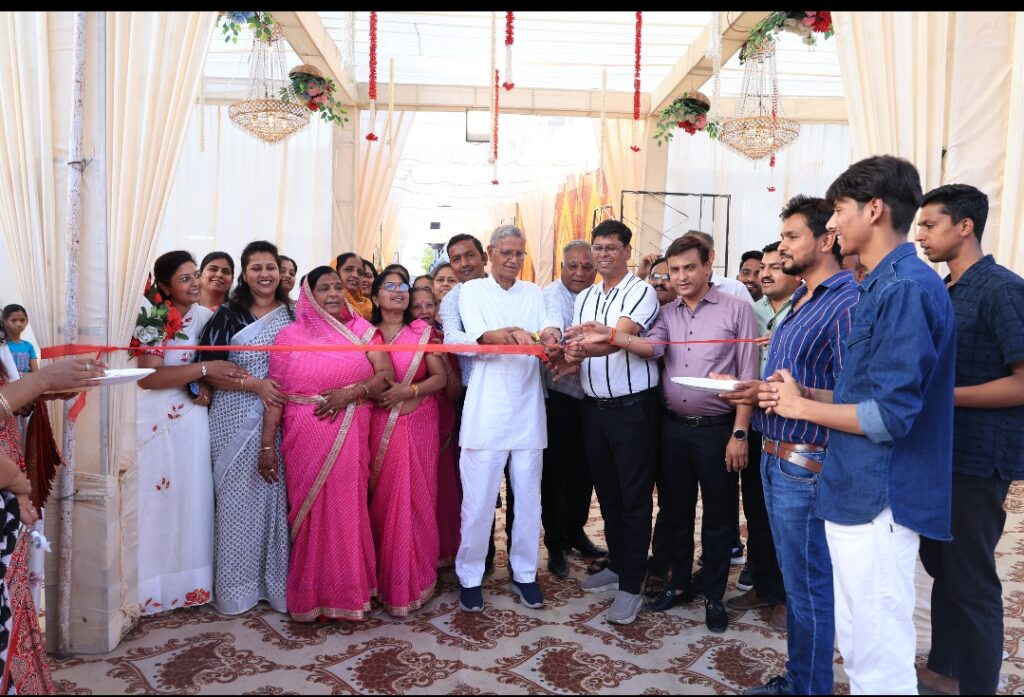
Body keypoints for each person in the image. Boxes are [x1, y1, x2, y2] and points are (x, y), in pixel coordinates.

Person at [758, 156, 955, 695]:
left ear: (874, 210)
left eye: (839, 210)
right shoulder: (882, 285)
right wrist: (803, 395)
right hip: (855, 489)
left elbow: (889, 415)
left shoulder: (904, 288)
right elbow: (861, 396)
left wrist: (801, 409)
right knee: (859, 641)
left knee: (876, 658)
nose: (832, 224)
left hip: (878, 495)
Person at [577, 234, 758, 632]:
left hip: (718, 431)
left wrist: (740, 433)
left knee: (718, 517)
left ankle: (714, 596)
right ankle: (677, 583)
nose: (681, 277)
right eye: (674, 270)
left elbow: (748, 374)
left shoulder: (737, 309)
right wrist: (611, 336)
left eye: (689, 267)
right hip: (672, 429)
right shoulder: (667, 313)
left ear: (708, 264)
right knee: (675, 512)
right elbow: (652, 348)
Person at [727, 196, 858, 696]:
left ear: (827, 240)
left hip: (806, 462)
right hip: (776, 454)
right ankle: (801, 679)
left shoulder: (845, 302)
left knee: (808, 588)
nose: (780, 248)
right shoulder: (803, 297)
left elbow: (858, 396)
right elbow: (791, 385)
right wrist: (758, 393)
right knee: (798, 582)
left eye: (791, 237)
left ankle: (809, 687)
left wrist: (793, 398)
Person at [914, 184, 1024, 696]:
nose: (920, 234)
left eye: (929, 224)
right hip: (944, 452)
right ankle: (946, 670)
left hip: (980, 458)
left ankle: (978, 685)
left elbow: (1021, 382)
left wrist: (942, 397)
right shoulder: (947, 288)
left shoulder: (1002, 289)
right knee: (944, 568)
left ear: (965, 226)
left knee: (971, 579)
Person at [261, 266, 392, 621]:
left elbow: (385, 375)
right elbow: (275, 396)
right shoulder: (289, 337)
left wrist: (352, 393)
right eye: (324, 288)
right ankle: (312, 596)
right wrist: (267, 445)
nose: (334, 293)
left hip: (350, 427)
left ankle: (350, 593)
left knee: (347, 509)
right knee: (310, 513)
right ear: (309, 296)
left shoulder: (362, 330)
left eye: (337, 287)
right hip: (304, 433)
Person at [134, 251, 248, 615]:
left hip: (193, 418)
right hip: (156, 418)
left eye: (195, 275)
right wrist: (203, 371)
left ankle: (190, 586)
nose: (195, 283)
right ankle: (152, 588)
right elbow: (149, 376)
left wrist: (206, 383)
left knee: (193, 498)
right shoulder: (153, 317)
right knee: (157, 501)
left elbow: (217, 367)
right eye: (185, 278)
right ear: (165, 286)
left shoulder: (207, 317)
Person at [455, 225, 560, 613]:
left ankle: (525, 573)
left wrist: (549, 333)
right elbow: (477, 336)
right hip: (486, 411)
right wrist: (506, 334)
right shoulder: (472, 291)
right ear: (490, 253)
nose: (514, 260)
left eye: (519, 253)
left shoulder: (533, 292)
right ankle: (469, 577)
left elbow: (548, 325)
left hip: (528, 410)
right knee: (478, 503)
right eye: (506, 253)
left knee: (529, 501)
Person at [562, 219, 661, 626]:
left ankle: (631, 585)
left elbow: (618, 339)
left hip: (632, 410)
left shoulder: (640, 291)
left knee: (635, 498)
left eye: (611, 248)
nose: (603, 255)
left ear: (627, 252)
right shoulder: (585, 296)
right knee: (608, 495)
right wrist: (570, 350)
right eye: (598, 247)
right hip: (594, 409)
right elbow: (580, 345)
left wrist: (585, 344)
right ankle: (619, 564)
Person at [198, 240, 294, 615]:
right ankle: (235, 589)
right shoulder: (228, 315)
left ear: (280, 272)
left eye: (271, 267)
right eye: (256, 268)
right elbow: (209, 370)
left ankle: (273, 585)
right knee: (235, 502)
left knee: (273, 501)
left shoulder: (293, 315)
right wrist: (254, 384)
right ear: (245, 273)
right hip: (233, 416)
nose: (265, 274)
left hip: (280, 417)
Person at [367, 269, 449, 615]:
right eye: (389, 286)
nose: (398, 291)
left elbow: (440, 378)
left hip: (418, 423)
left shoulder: (422, 333)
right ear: (375, 297)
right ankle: (383, 580)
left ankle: (415, 581)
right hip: (377, 423)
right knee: (381, 503)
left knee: (415, 500)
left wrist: (410, 390)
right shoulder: (364, 333)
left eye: (403, 286)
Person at [439, 234, 510, 575]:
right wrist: (486, 339)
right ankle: (483, 553)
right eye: (456, 259)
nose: (464, 263)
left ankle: (520, 556)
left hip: (519, 392)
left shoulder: (510, 290)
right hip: (474, 395)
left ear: (484, 256)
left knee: (522, 481)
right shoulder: (453, 298)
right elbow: (452, 340)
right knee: (480, 481)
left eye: (469, 255)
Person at [541, 240, 604, 579]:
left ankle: (575, 531)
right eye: (573, 266)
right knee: (556, 473)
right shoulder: (552, 294)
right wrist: (551, 335)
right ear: (561, 266)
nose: (579, 273)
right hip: (559, 396)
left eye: (587, 267)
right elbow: (551, 322)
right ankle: (555, 542)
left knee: (585, 470)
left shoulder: (599, 295)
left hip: (591, 396)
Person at [683, 230, 754, 304]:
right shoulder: (677, 291)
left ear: (711, 256)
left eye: (694, 252)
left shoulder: (735, 289)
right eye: (683, 252)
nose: (687, 257)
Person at [336, 253, 373, 320]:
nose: (355, 275)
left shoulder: (370, 308)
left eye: (360, 272)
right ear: (336, 272)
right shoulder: (327, 304)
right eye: (348, 269)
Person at [2, 306, 37, 374]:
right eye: (14, 320)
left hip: (27, 380)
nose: (19, 324)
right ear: (5, 322)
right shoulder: (2, 346)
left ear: (27, 321)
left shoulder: (29, 346)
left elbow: (35, 373)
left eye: (22, 320)